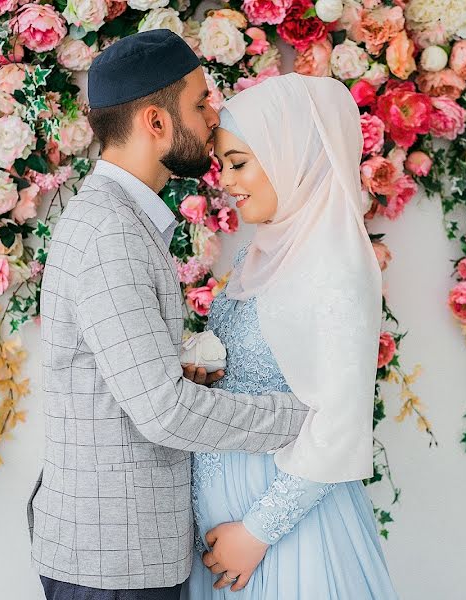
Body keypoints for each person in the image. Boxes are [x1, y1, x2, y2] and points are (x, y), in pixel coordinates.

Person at [28, 30, 310, 600]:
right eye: (200, 102)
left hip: (116, 552)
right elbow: (163, 415)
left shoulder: (120, 220)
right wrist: (303, 419)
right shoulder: (112, 231)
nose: (214, 115)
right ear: (156, 123)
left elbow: (130, 386)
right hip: (113, 564)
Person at [183, 73, 399, 599]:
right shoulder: (255, 258)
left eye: (239, 163)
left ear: (292, 154)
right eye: (223, 166)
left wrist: (257, 533)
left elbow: (340, 420)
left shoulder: (336, 267)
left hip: (289, 539)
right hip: (221, 537)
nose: (227, 182)